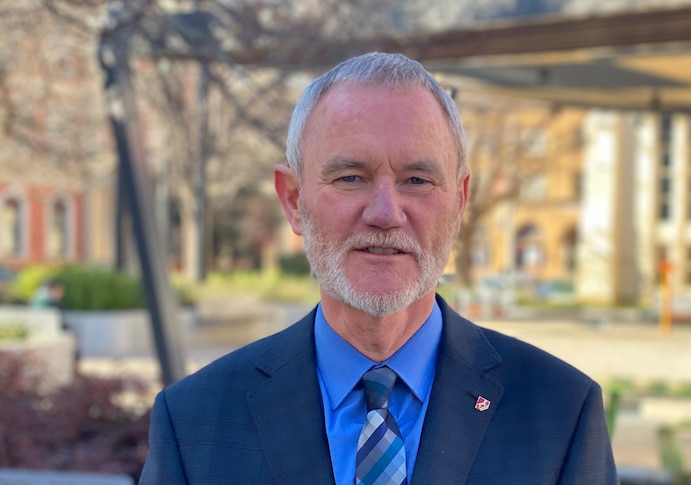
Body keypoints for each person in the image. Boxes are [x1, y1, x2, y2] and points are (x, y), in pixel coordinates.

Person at [140, 52, 617, 484]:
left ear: (459, 202)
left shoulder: (560, 413)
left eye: (417, 179)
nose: (386, 213)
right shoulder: (194, 423)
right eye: (351, 177)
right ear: (293, 200)